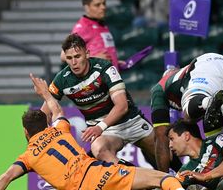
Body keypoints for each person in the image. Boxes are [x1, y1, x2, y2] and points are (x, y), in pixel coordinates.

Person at [0, 74, 217, 190]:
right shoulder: (61, 129)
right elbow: (56, 109)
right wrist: (45, 93)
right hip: (99, 175)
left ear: (26, 134)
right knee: (160, 178)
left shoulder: (28, 156)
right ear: (45, 125)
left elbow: (5, 177)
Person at [49, 33, 156, 168]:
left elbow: (122, 106)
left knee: (163, 151)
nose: (74, 62)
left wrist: (100, 127)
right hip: (105, 131)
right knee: (99, 149)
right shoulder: (62, 79)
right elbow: (46, 110)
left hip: (130, 120)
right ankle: (135, 176)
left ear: (87, 54)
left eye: (77, 56)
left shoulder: (105, 67)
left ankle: (178, 179)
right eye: (69, 58)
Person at [151, 53, 223, 172]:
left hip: (209, 65)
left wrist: (163, 180)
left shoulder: (160, 88)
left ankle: (207, 102)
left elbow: (161, 136)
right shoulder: (184, 76)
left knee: (188, 115)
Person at [60, 0, 123, 70]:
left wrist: (115, 62)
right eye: (97, 5)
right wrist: (93, 58)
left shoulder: (102, 24)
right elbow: (63, 55)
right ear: (87, 7)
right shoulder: (83, 27)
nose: (103, 7)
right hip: (96, 81)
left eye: (104, 3)